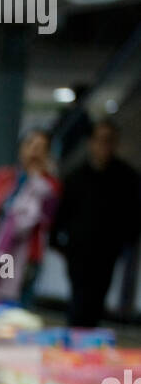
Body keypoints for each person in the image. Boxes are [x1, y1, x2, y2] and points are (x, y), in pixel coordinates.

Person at [50, 120, 141, 327]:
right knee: (79, 300)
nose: (104, 146)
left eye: (109, 141)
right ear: (91, 142)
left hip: (107, 252)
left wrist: (125, 244)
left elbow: (133, 216)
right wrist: (58, 243)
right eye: (100, 140)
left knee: (95, 300)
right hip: (77, 252)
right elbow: (62, 214)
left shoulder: (126, 178)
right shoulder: (76, 177)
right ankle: (75, 340)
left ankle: (86, 345)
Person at [0, 128, 60, 305]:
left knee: (13, 306)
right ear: (21, 149)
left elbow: (47, 220)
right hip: (1, 253)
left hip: (25, 259)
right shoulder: (5, 177)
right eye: (31, 145)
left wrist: (38, 178)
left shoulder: (49, 186)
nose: (35, 151)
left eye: (41, 147)